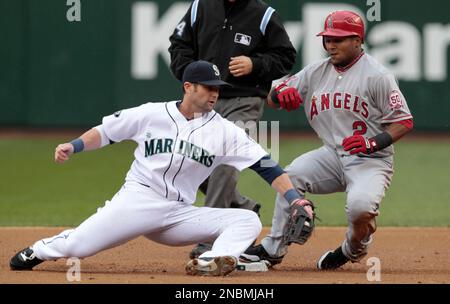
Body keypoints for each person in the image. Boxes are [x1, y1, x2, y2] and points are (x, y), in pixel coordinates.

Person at [9, 60, 312, 277]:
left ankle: (211, 261)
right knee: (79, 245)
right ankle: (39, 249)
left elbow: (265, 165)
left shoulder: (225, 131)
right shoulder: (151, 114)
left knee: (247, 221)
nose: (215, 93)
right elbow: (107, 132)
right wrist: (73, 145)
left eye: (218, 87)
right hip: (138, 201)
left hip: (178, 213)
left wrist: (294, 199)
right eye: (208, 87)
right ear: (188, 86)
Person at [240, 10, 414, 270]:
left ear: (357, 40)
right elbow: (274, 96)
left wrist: (372, 143)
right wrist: (280, 95)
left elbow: (403, 122)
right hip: (332, 155)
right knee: (292, 175)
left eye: (338, 39)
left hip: (370, 160)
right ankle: (272, 248)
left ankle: (351, 249)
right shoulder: (316, 71)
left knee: (360, 208)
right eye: (327, 39)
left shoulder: (378, 76)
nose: (330, 45)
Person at [168, 0, 296, 259]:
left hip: (245, 100)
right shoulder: (199, 7)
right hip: (204, 100)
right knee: (194, 163)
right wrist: (191, 78)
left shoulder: (264, 15)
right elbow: (178, 45)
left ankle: (208, 238)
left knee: (225, 163)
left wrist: (255, 64)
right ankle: (244, 210)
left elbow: (286, 57)